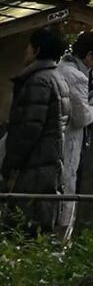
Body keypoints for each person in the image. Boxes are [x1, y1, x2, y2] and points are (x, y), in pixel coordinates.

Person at [1, 28, 71, 234]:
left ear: (37, 50)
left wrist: (9, 166)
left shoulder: (38, 81)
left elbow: (27, 130)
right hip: (49, 163)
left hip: (33, 166)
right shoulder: (57, 79)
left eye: (28, 47)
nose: (25, 52)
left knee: (22, 227)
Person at [56, 29, 93, 240]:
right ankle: (58, 243)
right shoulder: (76, 76)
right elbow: (82, 116)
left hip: (57, 142)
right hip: (66, 143)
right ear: (89, 56)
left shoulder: (61, 68)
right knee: (64, 194)